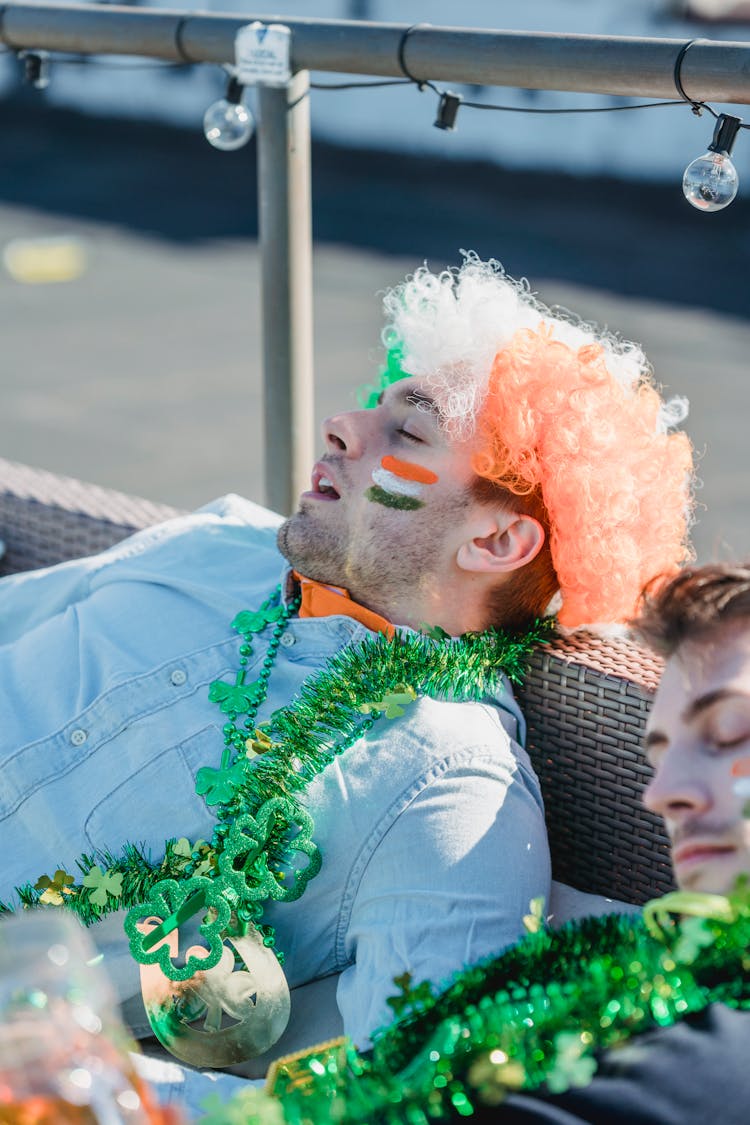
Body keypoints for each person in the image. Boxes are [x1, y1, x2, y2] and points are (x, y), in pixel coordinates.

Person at [0, 254, 693, 1081]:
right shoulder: (217, 539)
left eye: (407, 431)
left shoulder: (452, 783)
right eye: (375, 405)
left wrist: (85, 1080)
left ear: (497, 541)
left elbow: (410, 1083)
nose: (341, 425)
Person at [259, 562, 750, 1125]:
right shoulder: (624, 969)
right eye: (660, 757)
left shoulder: (714, 1057)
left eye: (728, 732)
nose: (663, 793)